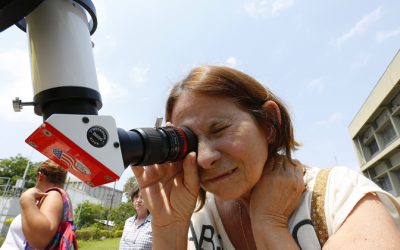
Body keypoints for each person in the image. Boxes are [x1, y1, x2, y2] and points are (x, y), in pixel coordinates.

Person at [132, 65, 400, 249]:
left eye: (220, 129)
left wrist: (269, 225)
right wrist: (170, 228)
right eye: (191, 142)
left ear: (269, 123)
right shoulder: (196, 218)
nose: (204, 158)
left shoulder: (339, 196)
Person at [1, 159, 73, 249]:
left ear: (40, 176)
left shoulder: (54, 195)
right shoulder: (54, 197)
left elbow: (40, 238)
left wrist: (26, 198)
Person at [119, 182, 152, 250]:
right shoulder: (128, 222)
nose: (138, 200)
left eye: (142, 197)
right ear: (132, 200)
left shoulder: (154, 223)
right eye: (136, 196)